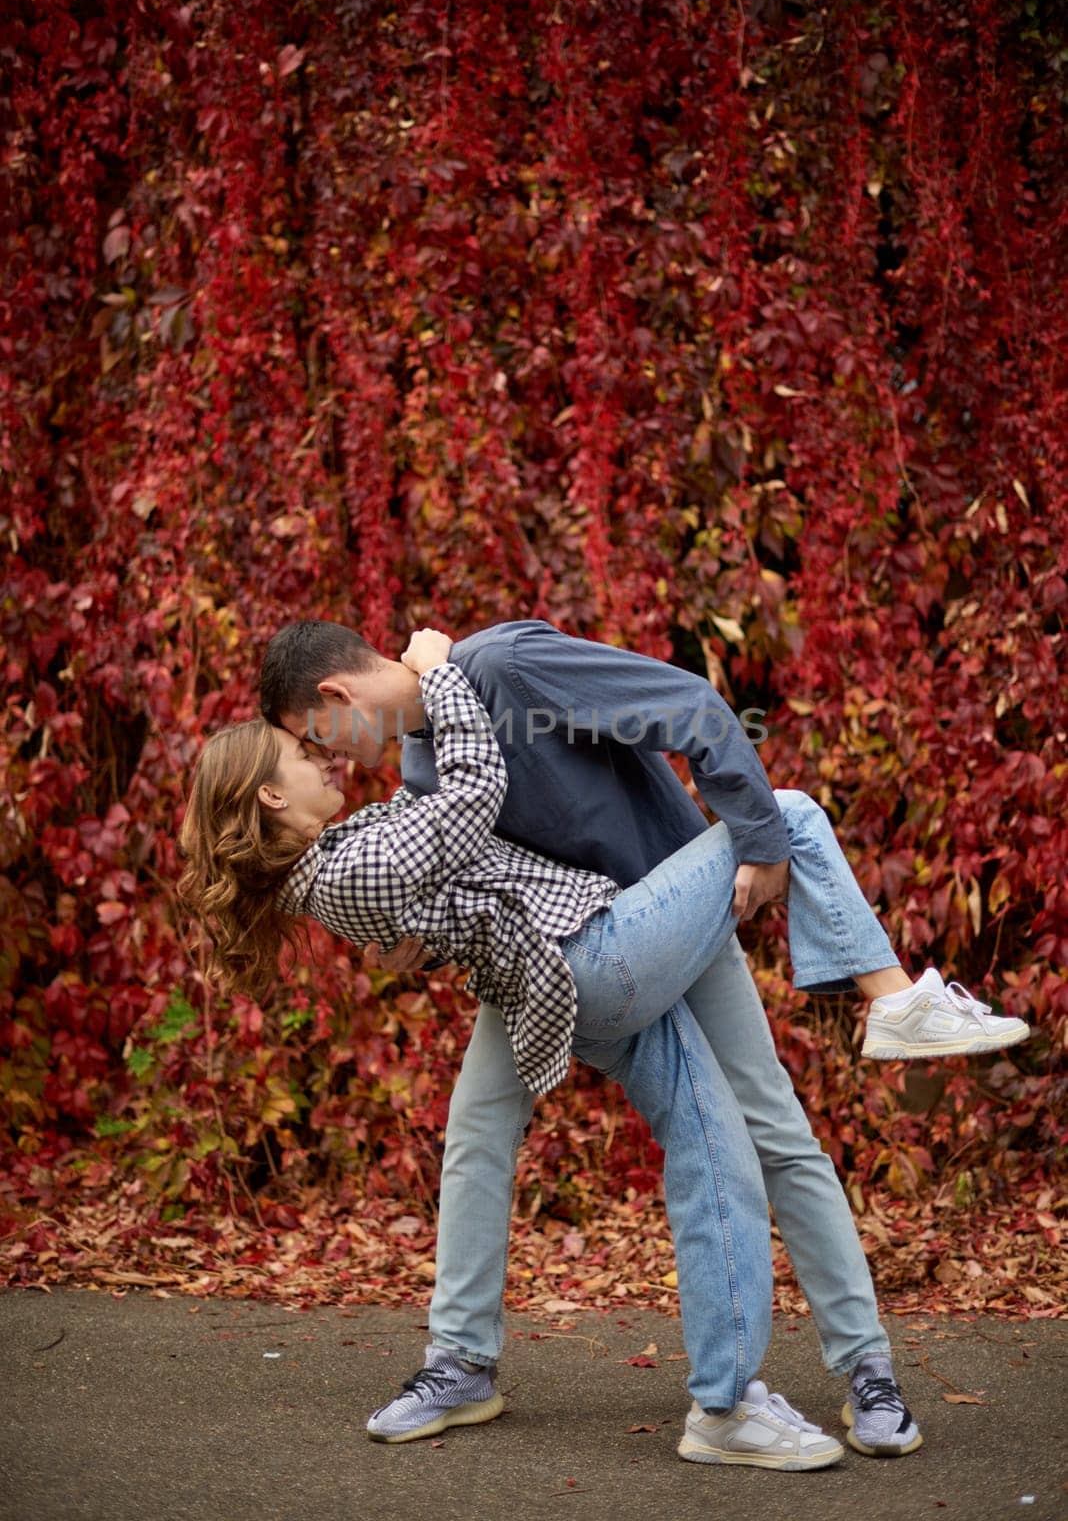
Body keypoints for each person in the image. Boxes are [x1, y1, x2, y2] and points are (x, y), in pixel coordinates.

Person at [184, 624, 1026, 1468]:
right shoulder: (418, 763)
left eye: (313, 738)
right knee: (479, 1133)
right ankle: (462, 1364)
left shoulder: (504, 668)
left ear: (334, 699)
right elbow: (459, 883)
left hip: (668, 914)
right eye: (304, 753)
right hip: (558, 957)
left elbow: (695, 708)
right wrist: (419, 940)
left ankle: (867, 1370)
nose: (326, 760)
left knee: (773, 1134)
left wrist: (762, 843)